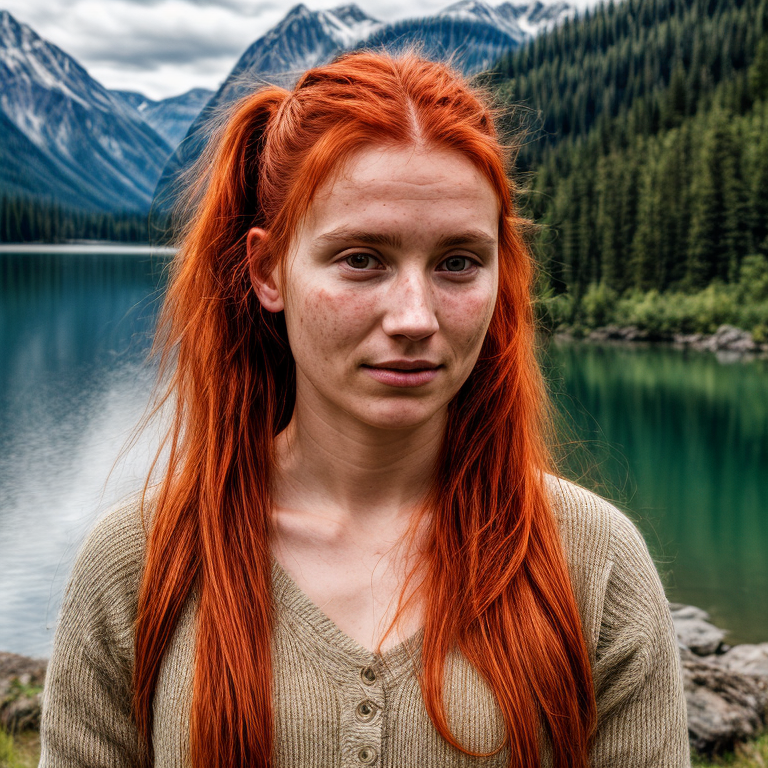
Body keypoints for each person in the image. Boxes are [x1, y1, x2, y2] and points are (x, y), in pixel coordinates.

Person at [39, 51, 689, 768]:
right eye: (361, 258)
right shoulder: (139, 567)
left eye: (458, 263)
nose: (414, 316)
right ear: (267, 270)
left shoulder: (593, 566)